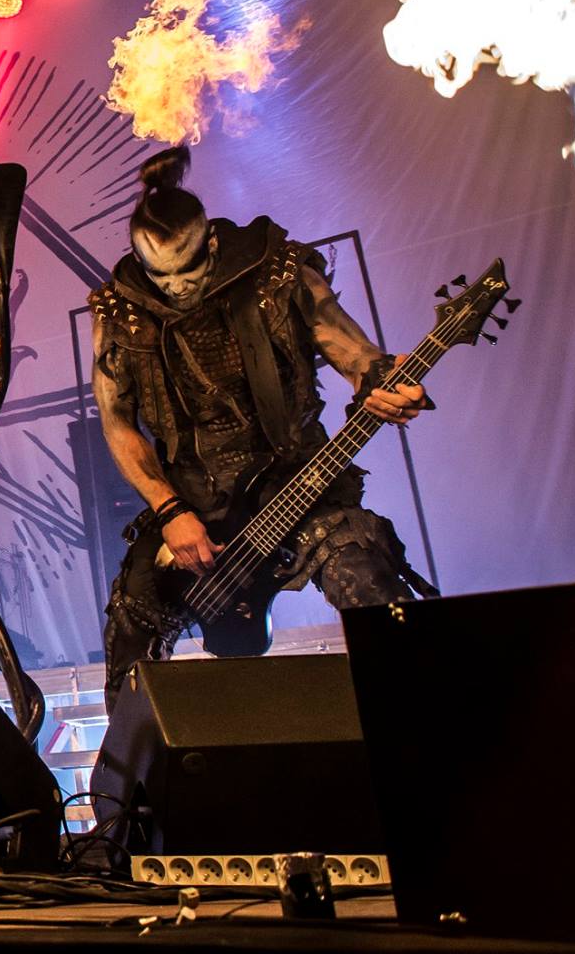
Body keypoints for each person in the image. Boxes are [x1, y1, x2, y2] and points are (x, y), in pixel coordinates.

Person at [90, 148, 435, 706]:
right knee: (131, 621)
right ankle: (136, 761)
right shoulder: (119, 313)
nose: (176, 288)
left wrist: (379, 379)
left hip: (298, 486)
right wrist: (170, 511)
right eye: (161, 276)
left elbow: (351, 349)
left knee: (366, 580)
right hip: (193, 506)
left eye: (187, 271)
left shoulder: (277, 273)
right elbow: (117, 423)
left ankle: (427, 722)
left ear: (211, 245)